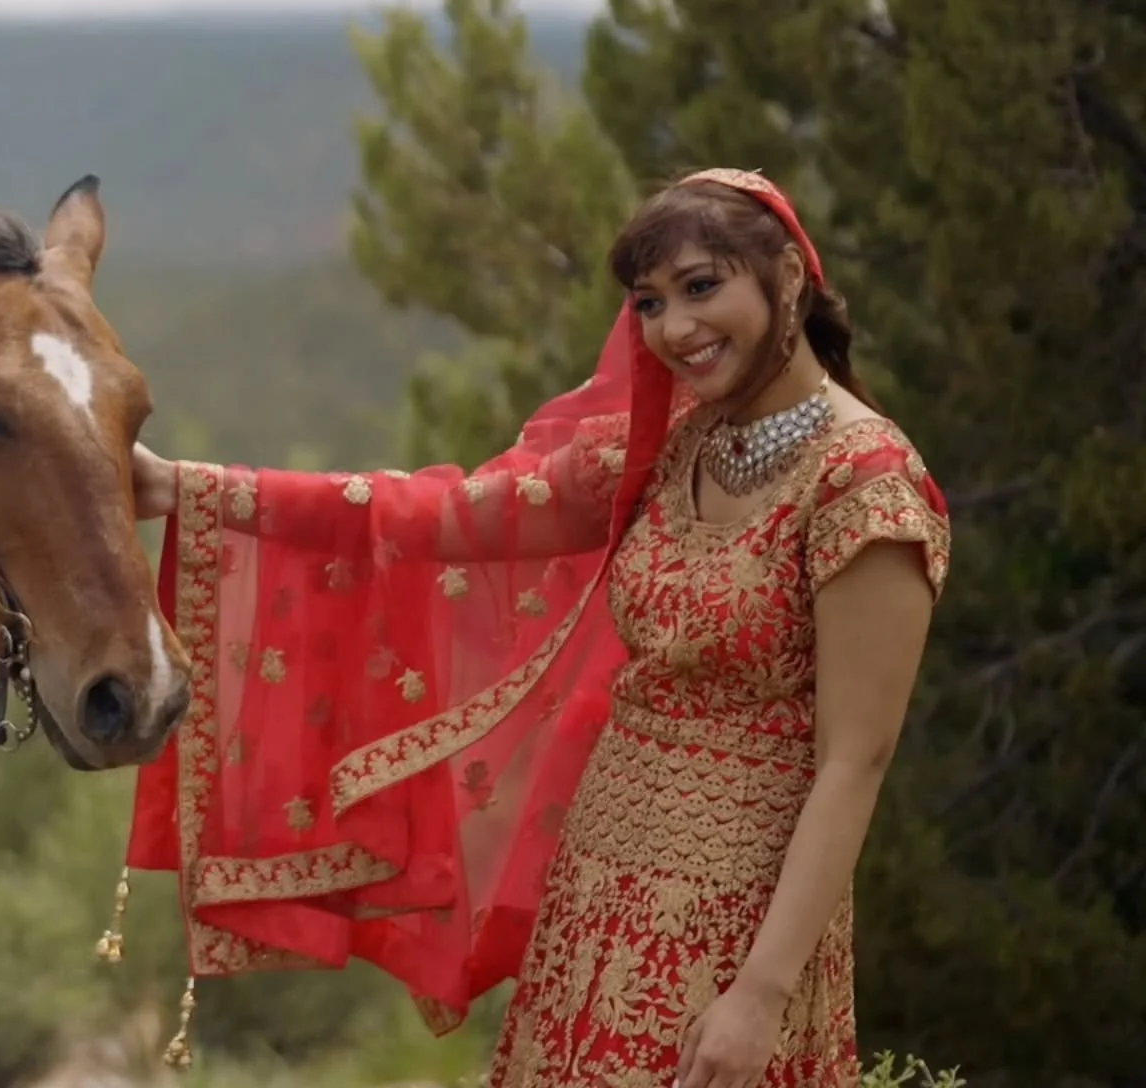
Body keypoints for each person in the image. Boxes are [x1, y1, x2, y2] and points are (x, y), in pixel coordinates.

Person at [121, 167, 950, 1088]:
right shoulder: (668, 450)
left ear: (788, 276)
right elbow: (431, 516)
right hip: (593, 894)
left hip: (745, 917)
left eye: (703, 287)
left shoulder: (865, 486)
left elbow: (854, 763)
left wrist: (760, 993)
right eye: (649, 301)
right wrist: (192, 489)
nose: (674, 328)